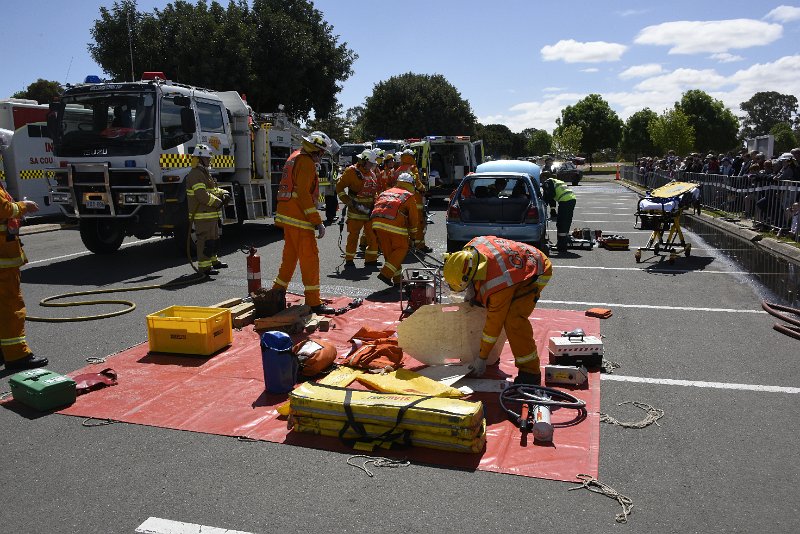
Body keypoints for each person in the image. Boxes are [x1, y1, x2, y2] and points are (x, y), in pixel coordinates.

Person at [443, 236, 552, 384]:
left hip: (535, 270)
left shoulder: (498, 285)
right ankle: (493, 353)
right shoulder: (468, 252)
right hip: (517, 263)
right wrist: (471, 291)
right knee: (481, 304)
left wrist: (482, 358)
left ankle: (530, 372)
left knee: (513, 320)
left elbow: (494, 325)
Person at [272, 131, 336, 314]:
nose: (322, 155)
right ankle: (314, 302)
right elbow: (304, 195)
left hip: (288, 216)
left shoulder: (295, 156)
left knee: (290, 257)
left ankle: (277, 292)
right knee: (310, 259)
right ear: (315, 149)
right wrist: (317, 221)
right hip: (299, 218)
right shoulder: (307, 162)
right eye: (322, 151)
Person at [1, 183, 48, 370]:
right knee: (10, 307)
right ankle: (16, 354)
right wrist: (23, 206)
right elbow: (4, 208)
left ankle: (3, 350)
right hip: (3, 260)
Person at [185, 144, 229, 276]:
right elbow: (202, 195)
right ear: (199, 159)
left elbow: (213, 190)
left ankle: (213, 261)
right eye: (207, 158)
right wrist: (218, 202)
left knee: (214, 239)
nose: (209, 160)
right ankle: (204, 268)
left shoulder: (204, 173)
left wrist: (224, 192)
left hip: (210, 214)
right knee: (205, 241)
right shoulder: (195, 174)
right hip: (202, 215)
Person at [371, 172, 421, 286]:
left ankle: (398, 280)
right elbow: (414, 219)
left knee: (390, 254)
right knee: (401, 248)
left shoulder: (386, 192)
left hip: (376, 224)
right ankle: (385, 273)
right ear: (410, 184)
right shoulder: (408, 196)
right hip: (394, 224)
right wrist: (413, 238)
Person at [336, 149, 380, 268]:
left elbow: (373, 192)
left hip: (369, 212)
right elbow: (339, 187)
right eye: (370, 163)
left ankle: (371, 260)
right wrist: (347, 201)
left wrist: (376, 203)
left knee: (372, 236)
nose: (372, 165)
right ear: (363, 161)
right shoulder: (351, 172)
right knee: (353, 236)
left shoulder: (371, 173)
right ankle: (349, 260)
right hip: (355, 212)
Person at [394, 149, 432, 253]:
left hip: (400, 201)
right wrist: (424, 188)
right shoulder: (413, 168)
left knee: (404, 224)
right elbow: (418, 184)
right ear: (412, 157)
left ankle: (406, 245)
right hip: (414, 200)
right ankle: (419, 245)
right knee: (418, 223)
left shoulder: (397, 170)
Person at [541, 172, 577, 253]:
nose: (541, 181)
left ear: (544, 177)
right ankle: (563, 242)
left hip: (565, 201)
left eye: (541, 178)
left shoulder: (548, 182)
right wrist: (552, 209)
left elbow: (550, 195)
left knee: (561, 223)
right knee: (566, 221)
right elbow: (553, 197)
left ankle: (561, 247)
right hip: (571, 199)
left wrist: (544, 202)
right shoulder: (557, 181)